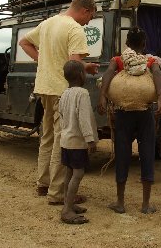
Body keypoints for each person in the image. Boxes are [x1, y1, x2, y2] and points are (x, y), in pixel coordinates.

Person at [18, 0, 99, 205]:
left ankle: (43, 184)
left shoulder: (48, 23)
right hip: (61, 89)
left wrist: (42, 59)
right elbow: (74, 61)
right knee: (61, 138)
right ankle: (57, 192)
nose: (87, 22)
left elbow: (23, 42)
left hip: (43, 87)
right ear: (85, 10)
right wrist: (88, 66)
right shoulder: (74, 28)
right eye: (89, 18)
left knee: (47, 136)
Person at [97, 27, 161, 214]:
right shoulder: (150, 61)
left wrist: (102, 96)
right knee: (147, 154)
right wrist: (160, 98)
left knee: (122, 155)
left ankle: (120, 202)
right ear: (144, 44)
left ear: (127, 43)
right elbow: (158, 75)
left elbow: (108, 75)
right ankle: (145, 204)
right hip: (145, 114)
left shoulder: (118, 60)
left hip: (123, 114)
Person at [58, 60, 98, 224]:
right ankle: (67, 209)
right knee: (78, 173)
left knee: (69, 172)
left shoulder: (65, 93)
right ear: (82, 75)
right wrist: (90, 139)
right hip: (77, 142)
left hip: (66, 140)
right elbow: (84, 119)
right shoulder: (82, 93)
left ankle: (70, 203)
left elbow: (61, 115)